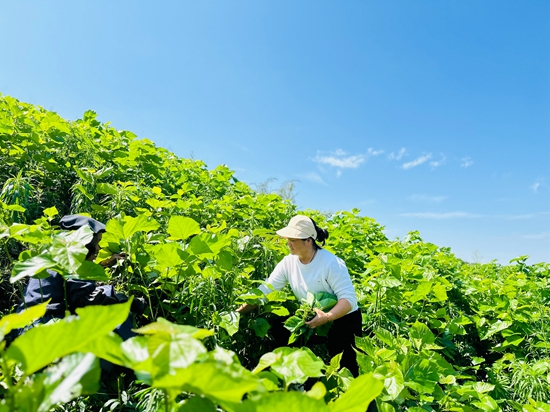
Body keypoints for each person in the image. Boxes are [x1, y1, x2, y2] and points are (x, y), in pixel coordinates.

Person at [238, 215, 363, 377]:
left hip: (344, 319)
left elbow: (348, 300)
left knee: (347, 368)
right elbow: (266, 291)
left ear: (308, 241)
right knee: (282, 330)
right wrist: (238, 311)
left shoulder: (331, 263)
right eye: (288, 239)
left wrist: (327, 316)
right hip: (314, 316)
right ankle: (296, 381)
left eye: (293, 239)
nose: (288, 243)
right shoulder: (288, 263)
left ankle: (359, 400)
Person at [16, 214, 145, 340]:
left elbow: (71, 281)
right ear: (86, 242)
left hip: (27, 326)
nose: (99, 248)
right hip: (47, 328)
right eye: (97, 242)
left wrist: (104, 264)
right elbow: (88, 300)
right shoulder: (71, 261)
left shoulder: (55, 254)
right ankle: (129, 356)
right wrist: (126, 301)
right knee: (116, 314)